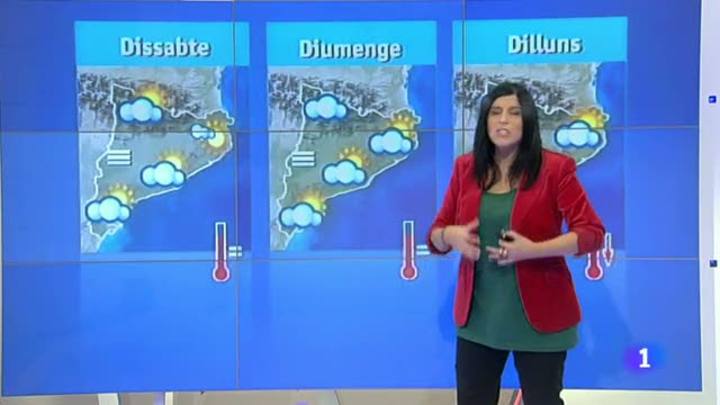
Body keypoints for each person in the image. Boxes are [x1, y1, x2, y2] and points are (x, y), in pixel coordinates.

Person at [427, 82, 605, 405]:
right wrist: (450, 235)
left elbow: (592, 233)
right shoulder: (466, 168)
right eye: (495, 113)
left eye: (513, 113)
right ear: (485, 121)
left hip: (541, 317)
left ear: (528, 121)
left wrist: (532, 250)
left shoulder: (556, 169)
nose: (503, 120)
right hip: (479, 319)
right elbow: (436, 237)